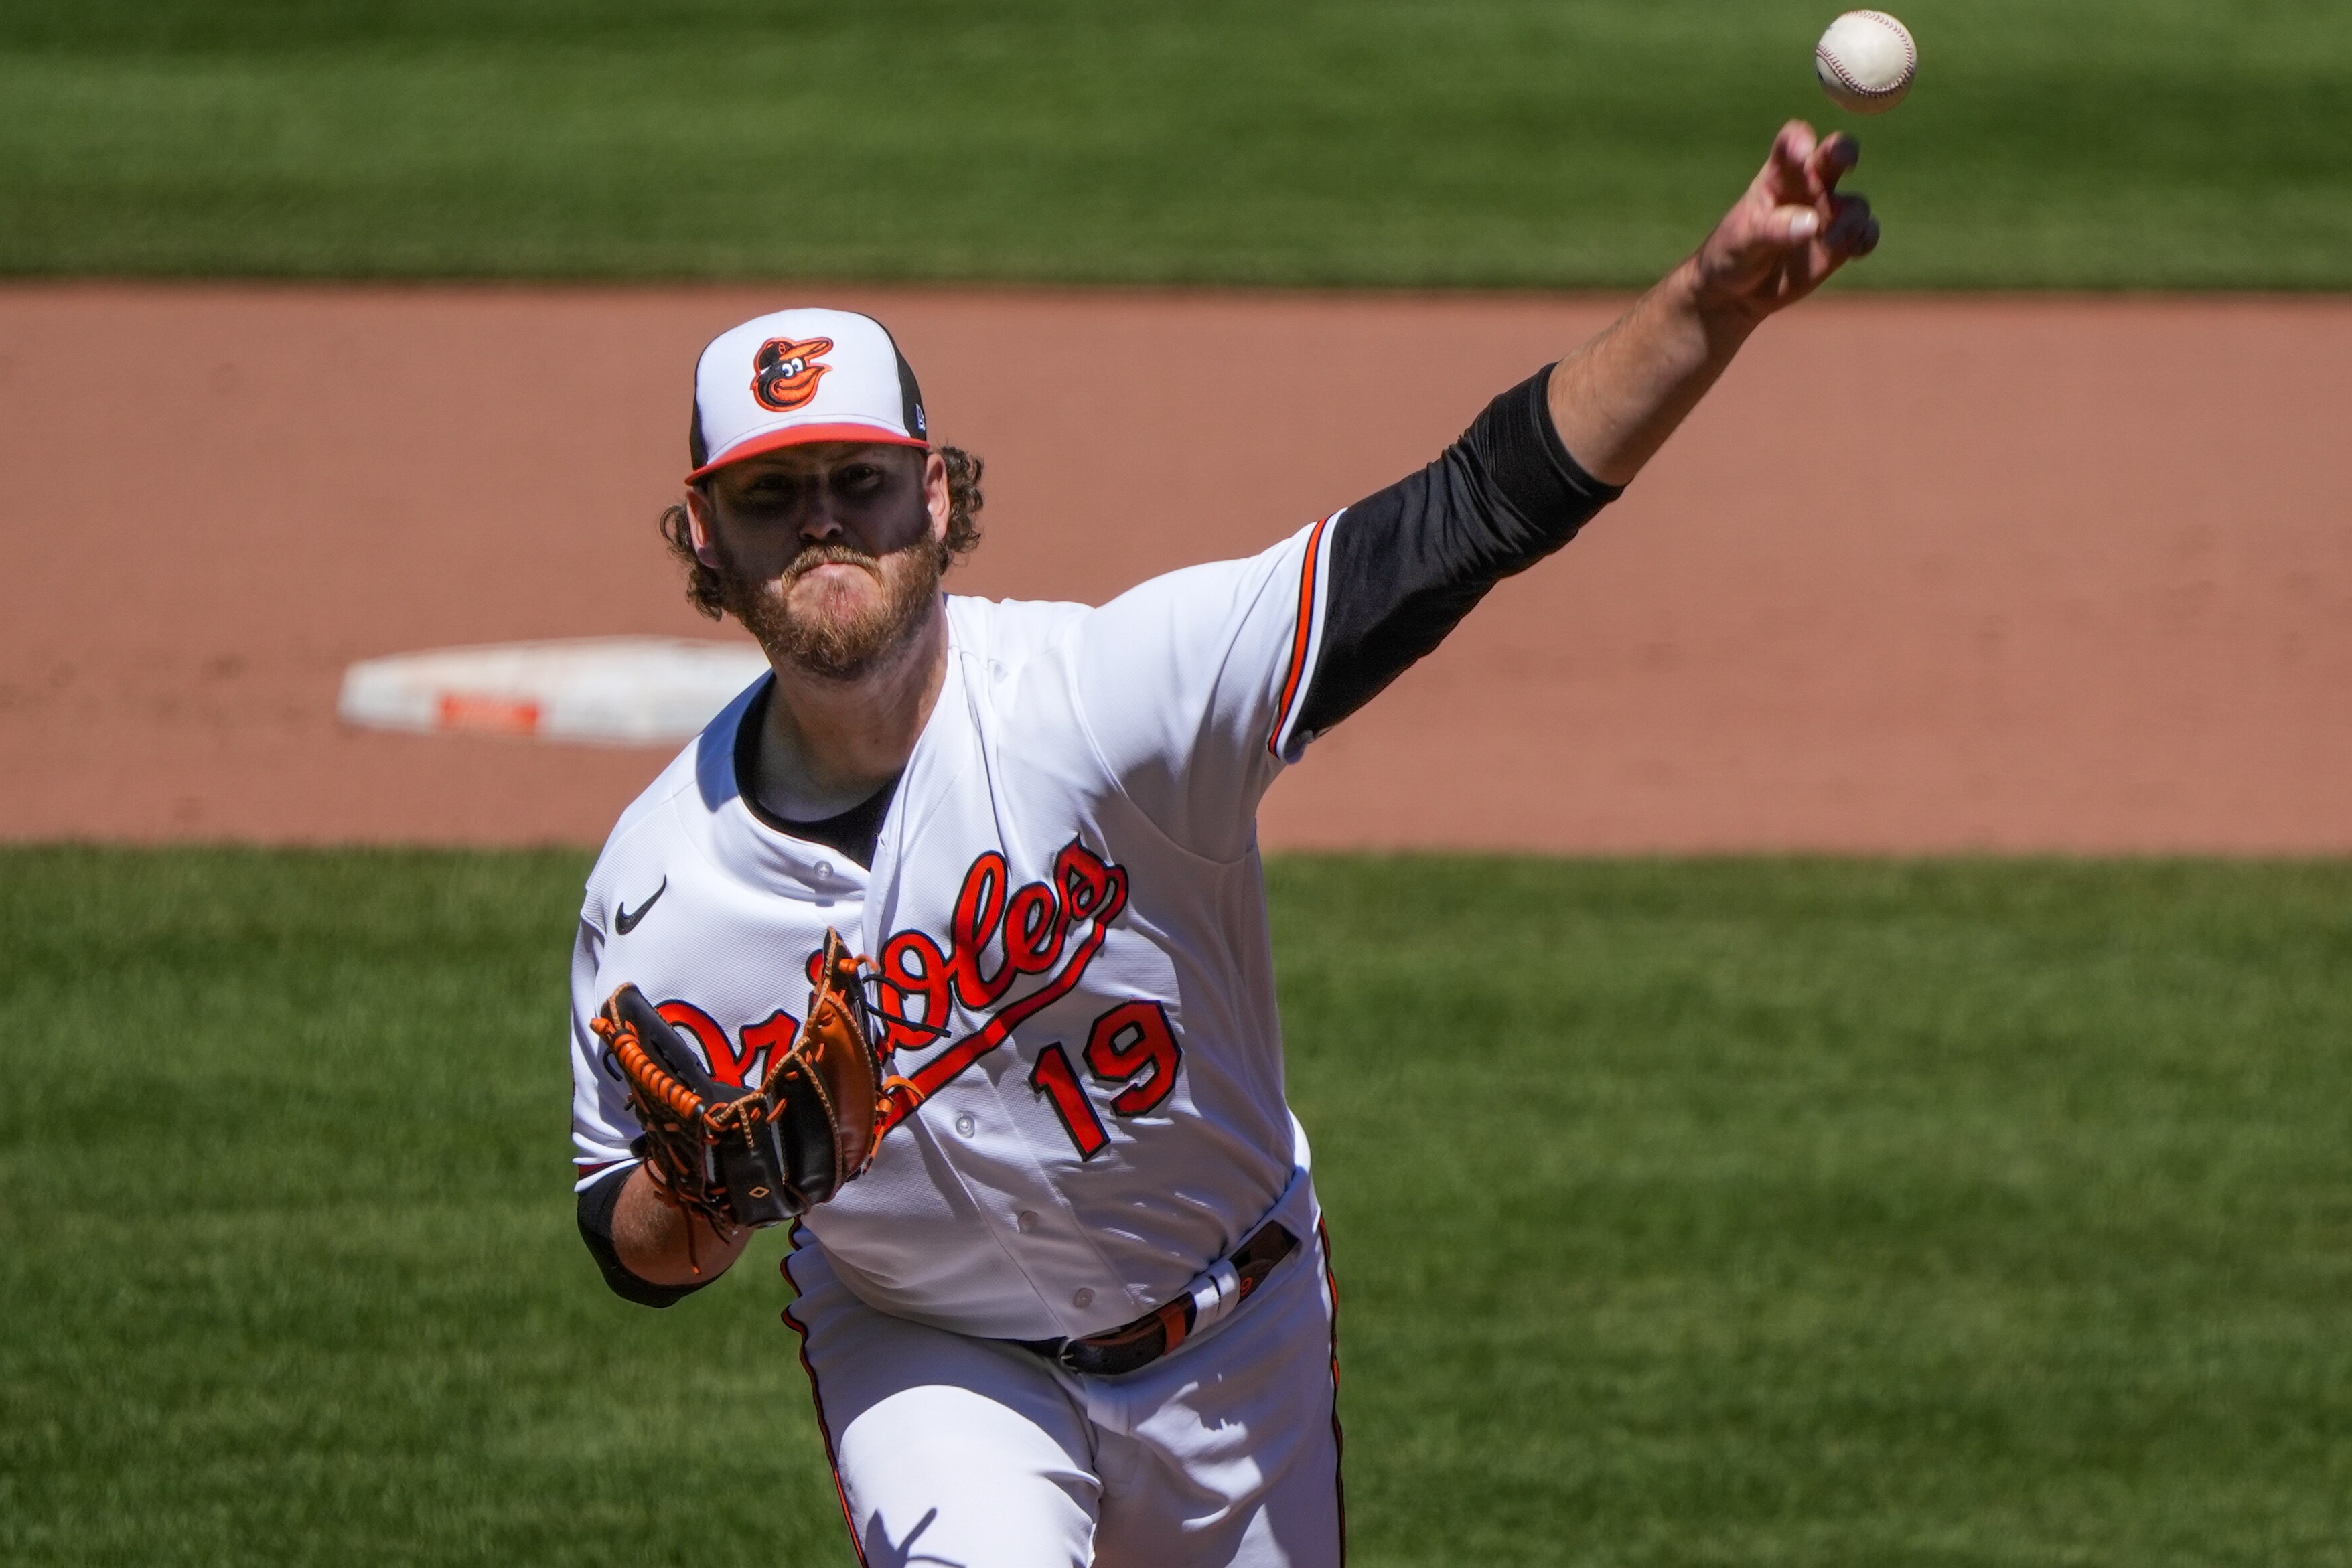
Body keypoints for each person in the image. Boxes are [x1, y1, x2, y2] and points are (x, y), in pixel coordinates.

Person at [569, 121, 1879, 1567]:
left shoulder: (1105, 703)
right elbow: (628, 1247)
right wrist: (701, 1192)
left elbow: (1455, 520)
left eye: (859, 480)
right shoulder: (658, 889)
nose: (823, 522)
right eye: (768, 493)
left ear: (934, 494)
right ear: (702, 536)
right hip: (933, 1357)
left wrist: (1703, 303)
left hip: (1234, 1330)